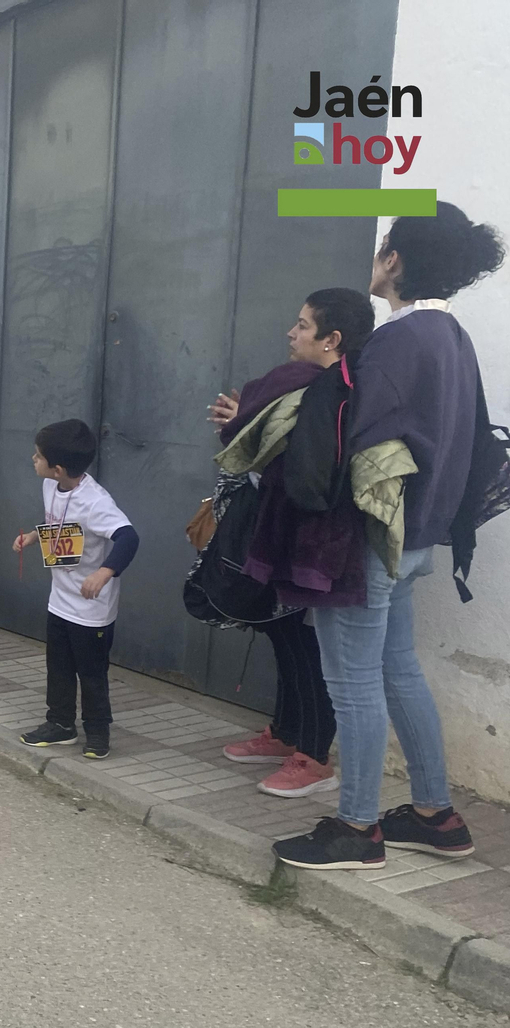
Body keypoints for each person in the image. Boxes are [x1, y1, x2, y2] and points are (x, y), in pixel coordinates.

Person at [272, 202, 504, 871]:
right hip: (418, 537)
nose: (375, 256)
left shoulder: (399, 341)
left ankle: (357, 829)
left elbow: (349, 441)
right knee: (398, 670)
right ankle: (435, 813)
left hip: (369, 539)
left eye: (382, 247)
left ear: (395, 260)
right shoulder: (450, 336)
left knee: (354, 684)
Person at [200, 289, 374, 799]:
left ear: (331, 339)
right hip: (287, 531)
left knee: (305, 643)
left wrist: (240, 420)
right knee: (283, 632)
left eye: (302, 325)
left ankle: (314, 756)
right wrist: (243, 422)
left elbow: (250, 427)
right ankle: (286, 732)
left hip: (307, 537)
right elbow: (253, 434)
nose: (291, 334)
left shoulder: (314, 383)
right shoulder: (328, 385)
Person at [14, 420, 140, 759]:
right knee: (58, 667)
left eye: (39, 456)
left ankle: (98, 732)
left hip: (91, 610)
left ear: (57, 468)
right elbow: (61, 527)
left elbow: (128, 537)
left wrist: (104, 572)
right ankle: (60, 725)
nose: (33, 459)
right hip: (60, 601)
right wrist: (32, 538)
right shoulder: (51, 486)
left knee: (92, 674)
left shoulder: (96, 502)